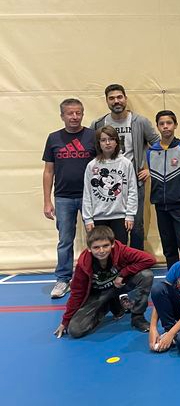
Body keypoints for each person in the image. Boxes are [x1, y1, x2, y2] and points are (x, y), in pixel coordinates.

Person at [90, 84, 159, 250]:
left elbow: (157, 144)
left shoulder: (139, 121)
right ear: (106, 101)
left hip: (134, 181)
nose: (116, 101)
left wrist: (150, 169)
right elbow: (92, 150)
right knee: (111, 227)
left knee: (136, 225)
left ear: (125, 99)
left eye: (119, 97)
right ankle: (113, 262)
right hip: (108, 182)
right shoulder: (99, 123)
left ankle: (136, 264)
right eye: (112, 98)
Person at [54, 225, 155, 338]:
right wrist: (65, 321)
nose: (101, 251)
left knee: (146, 275)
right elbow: (77, 294)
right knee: (75, 330)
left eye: (105, 246)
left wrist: (123, 274)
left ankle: (137, 317)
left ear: (112, 244)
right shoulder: (83, 264)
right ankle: (108, 305)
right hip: (99, 294)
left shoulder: (121, 250)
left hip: (119, 286)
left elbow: (149, 259)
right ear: (89, 248)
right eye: (96, 247)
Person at [42, 98, 97, 298]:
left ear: (83, 114)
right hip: (63, 197)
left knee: (97, 238)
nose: (74, 117)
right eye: (70, 113)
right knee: (65, 240)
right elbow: (49, 171)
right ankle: (63, 279)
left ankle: (97, 277)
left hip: (90, 197)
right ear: (62, 116)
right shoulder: (54, 138)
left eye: (78, 113)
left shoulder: (93, 136)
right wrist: (47, 201)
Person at [147, 110, 180, 269]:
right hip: (161, 207)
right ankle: (173, 276)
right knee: (168, 247)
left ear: (175, 125)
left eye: (169, 123)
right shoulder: (151, 152)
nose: (165, 127)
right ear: (157, 126)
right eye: (161, 124)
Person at [81, 126, 138, 244]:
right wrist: (88, 219)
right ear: (98, 143)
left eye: (111, 139)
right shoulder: (92, 166)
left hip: (120, 216)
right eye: (103, 140)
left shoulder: (126, 163)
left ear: (117, 142)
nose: (107, 143)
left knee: (119, 251)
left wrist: (130, 215)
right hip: (98, 217)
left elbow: (132, 191)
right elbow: (87, 194)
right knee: (101, 252)